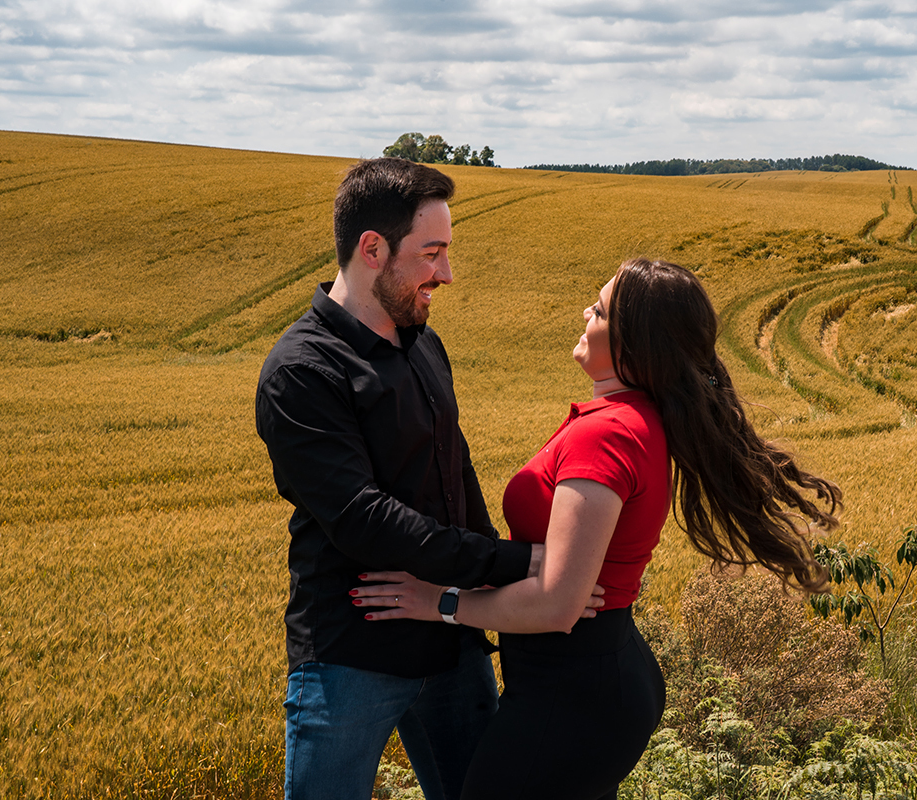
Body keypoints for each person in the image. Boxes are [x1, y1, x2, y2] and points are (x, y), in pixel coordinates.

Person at [352, 257, 843, 800]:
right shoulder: (637, 418)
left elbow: (558, 605)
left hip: (569, 694)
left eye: (602, 309)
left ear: (635, 344)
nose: (587, 312)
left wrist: (438, 602)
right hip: (594, 678)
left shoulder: (607, 435)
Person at [255, 158, 555, 800]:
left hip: (452, 643)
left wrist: (490, 594)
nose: (445, 274)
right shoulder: (302, 370)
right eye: (431, 253)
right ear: (372, 250)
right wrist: (511, 563)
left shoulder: (423, 344)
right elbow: (364, 520)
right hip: (351, 656)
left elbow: (456, 473)